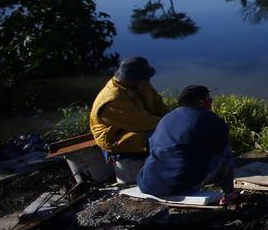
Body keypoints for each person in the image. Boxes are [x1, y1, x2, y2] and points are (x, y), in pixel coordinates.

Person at [137, 85, 237, 203]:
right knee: (225, 151)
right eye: (209, 100)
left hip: (147, 184)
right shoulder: (210, 119)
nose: (210, 103)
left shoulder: (166, 118)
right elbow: (220, 146)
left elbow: (151, 145)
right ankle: (228, 194)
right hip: (179, 186)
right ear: (200, 103)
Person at [89, 56, 168, 184]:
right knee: (162, 137)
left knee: (171, 132)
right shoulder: (113, 99)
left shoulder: (141, 85)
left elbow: (159, 105)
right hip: (116, 138)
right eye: (146, 76)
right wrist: (174, 124)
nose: (149, 79)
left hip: (136, 129)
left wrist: (174, 118)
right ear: (132, 79)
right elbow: (143, 122)